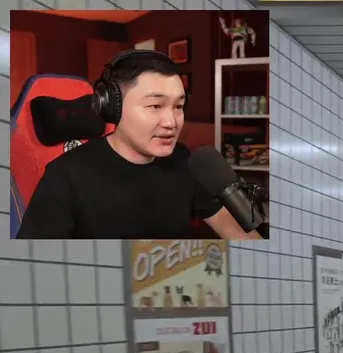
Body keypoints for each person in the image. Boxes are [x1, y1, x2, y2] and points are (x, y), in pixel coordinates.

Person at [15, 50, 262, 241]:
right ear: (113, 108)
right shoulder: (63, 176)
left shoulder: (186, 161)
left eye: (178, 106)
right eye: (155, 106)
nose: (171, 122)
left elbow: (240, 235)